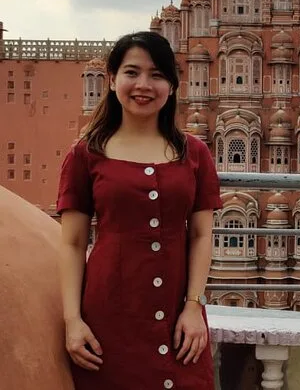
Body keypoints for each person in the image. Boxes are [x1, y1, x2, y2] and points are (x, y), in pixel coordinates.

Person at [57, 31, 221, 389]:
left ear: (172, 86)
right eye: (132, 72)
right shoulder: (86, 154)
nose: (143, 85)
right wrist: (72, 320)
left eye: (156, 75)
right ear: (112, 79)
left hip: (179, 319)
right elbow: (72, 243)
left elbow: (201, 235)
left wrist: (194, 306)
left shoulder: (194, 153)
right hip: (109, 314)